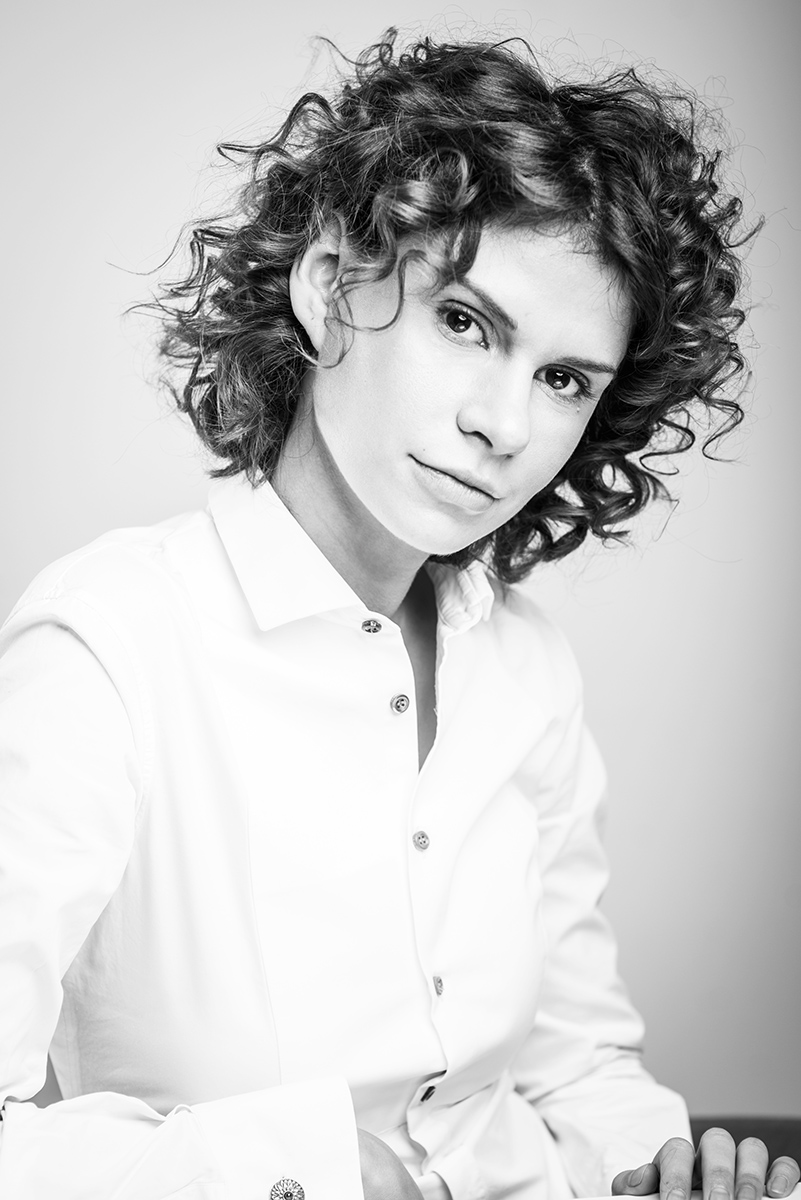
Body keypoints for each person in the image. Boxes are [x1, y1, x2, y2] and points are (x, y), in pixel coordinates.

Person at [0, 27, 797, 1200]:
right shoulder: (110, 646)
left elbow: (580, 1070)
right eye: (466, 323)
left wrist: (666, 1175)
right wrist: (299, 1169)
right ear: (330, 288)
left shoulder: (525, 668)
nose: (503, 425)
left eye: (563, 379)